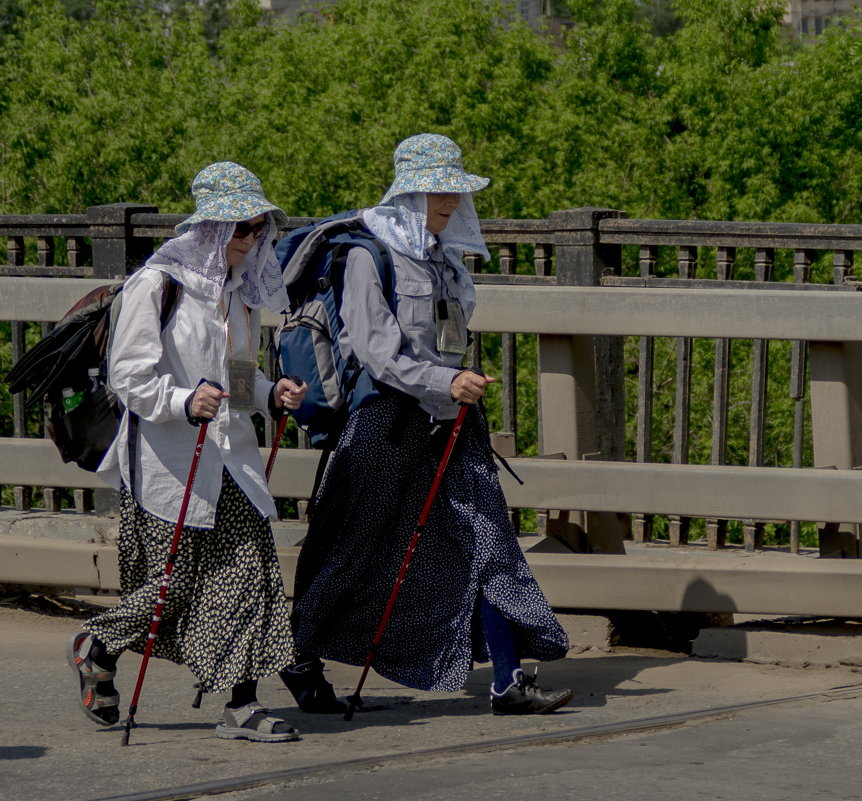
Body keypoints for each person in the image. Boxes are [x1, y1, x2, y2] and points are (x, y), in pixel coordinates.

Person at [281, 133, 572, 716]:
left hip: (450, 422)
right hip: (384, 422)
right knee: (349, 550)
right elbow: (377, 350)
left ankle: (508, 684)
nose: (450, 201)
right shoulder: (368, 254)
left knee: (489, 541)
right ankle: (300, 659)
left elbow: (445, 340)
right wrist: (446, 382)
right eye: (439, 190)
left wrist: (456, 383)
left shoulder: (443, 255)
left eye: (455, 191)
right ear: (410, 192)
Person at [67, 162, 307, 743]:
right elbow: (128, 376)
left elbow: (239, 377)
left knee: (252, 574)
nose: (253, 240)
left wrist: (271, 393)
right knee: (173, 586)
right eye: (243, 229)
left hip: (233, 458)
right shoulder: (157, 285)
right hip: (172, 461)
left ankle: (243, 706)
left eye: (258, 229)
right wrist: (182, 400)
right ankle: (97, 645)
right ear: (212, 230)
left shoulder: (240, 295)